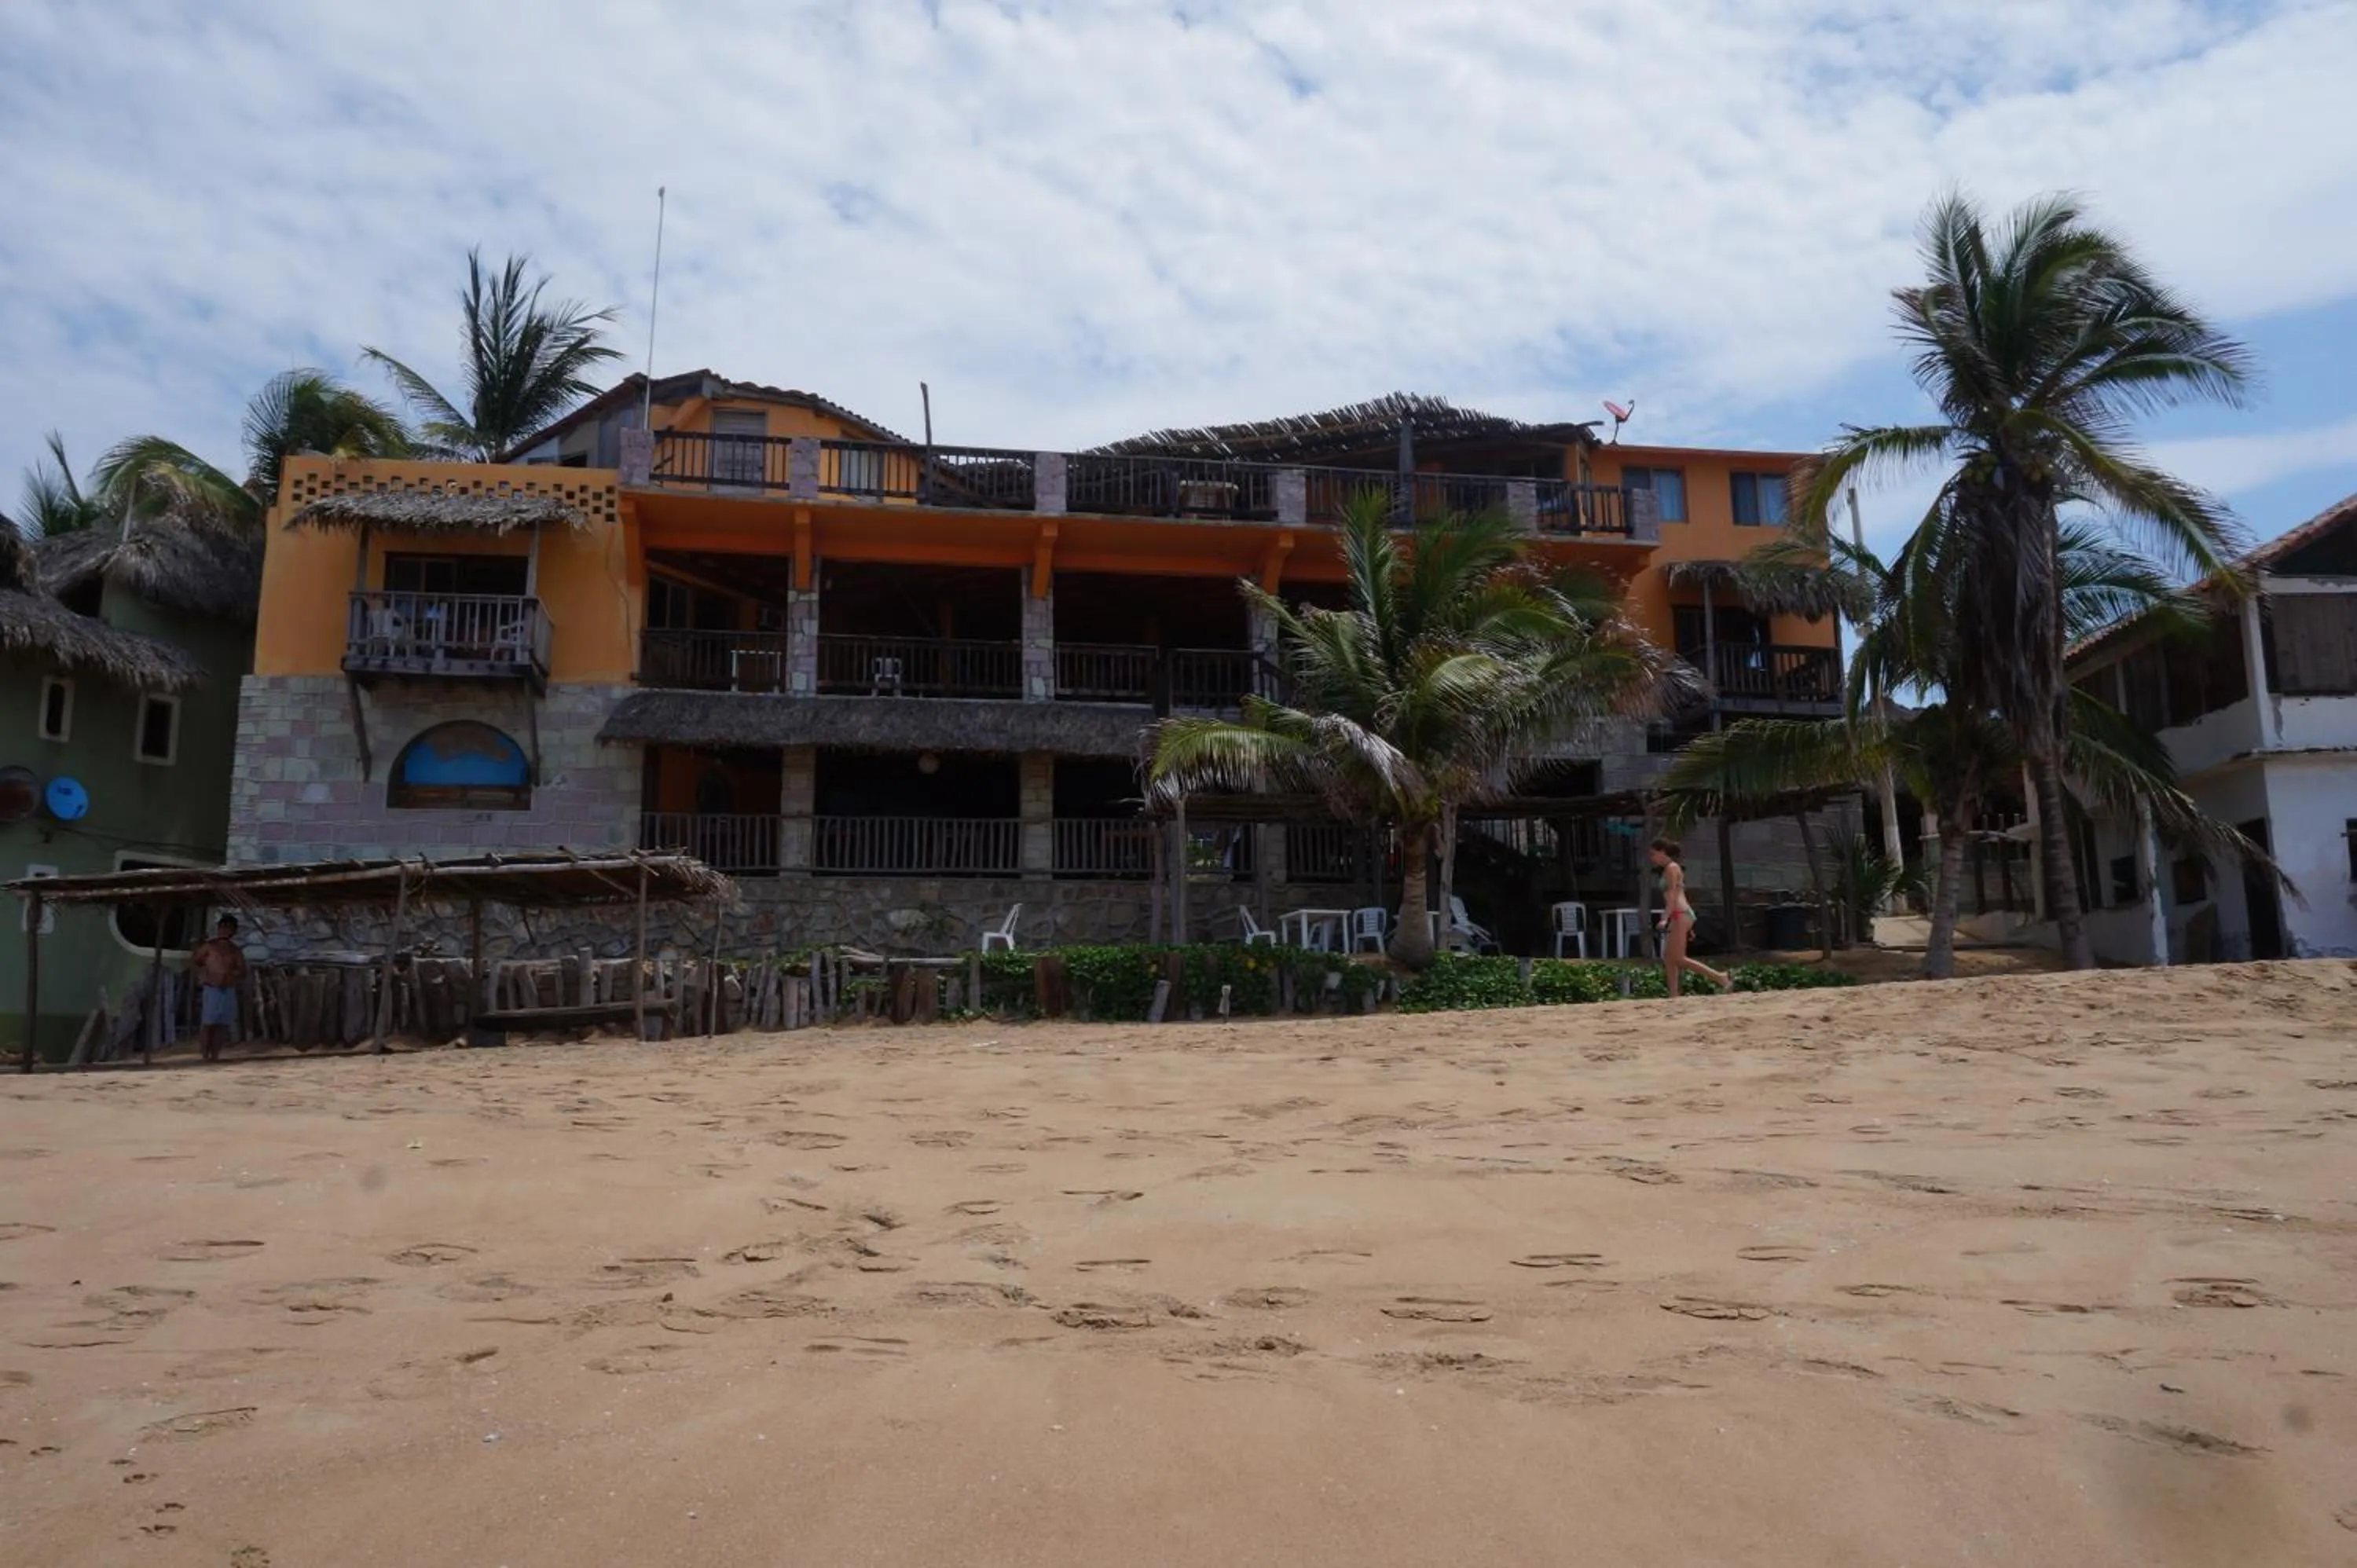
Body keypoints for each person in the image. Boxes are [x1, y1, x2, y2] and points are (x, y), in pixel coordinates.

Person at [1649, 837, 1732, 998]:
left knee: (1678, 958)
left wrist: (1665, 918)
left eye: (1653, 854)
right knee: (1669, 957)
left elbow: (1673, 896)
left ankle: (1720, 978)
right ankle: (1673, 994)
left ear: (1662, 852)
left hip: (1680, 914)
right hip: (1679, 915)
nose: (1652, 858)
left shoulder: (1672, 868)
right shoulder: (1669, 869)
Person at [190, 915, 247, 1062]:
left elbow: (242, 970)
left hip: (227, 989)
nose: (225, 931)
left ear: (234, 931)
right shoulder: (209, 947)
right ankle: (204, 1055)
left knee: (221, 1024)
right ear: (218, 928)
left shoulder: (235, 950)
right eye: (223, 928)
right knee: (208, 1023)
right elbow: (195, 962)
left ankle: (215, 1055)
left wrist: (232, 976)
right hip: (211, 988)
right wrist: (203, 976)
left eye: (229, 929)